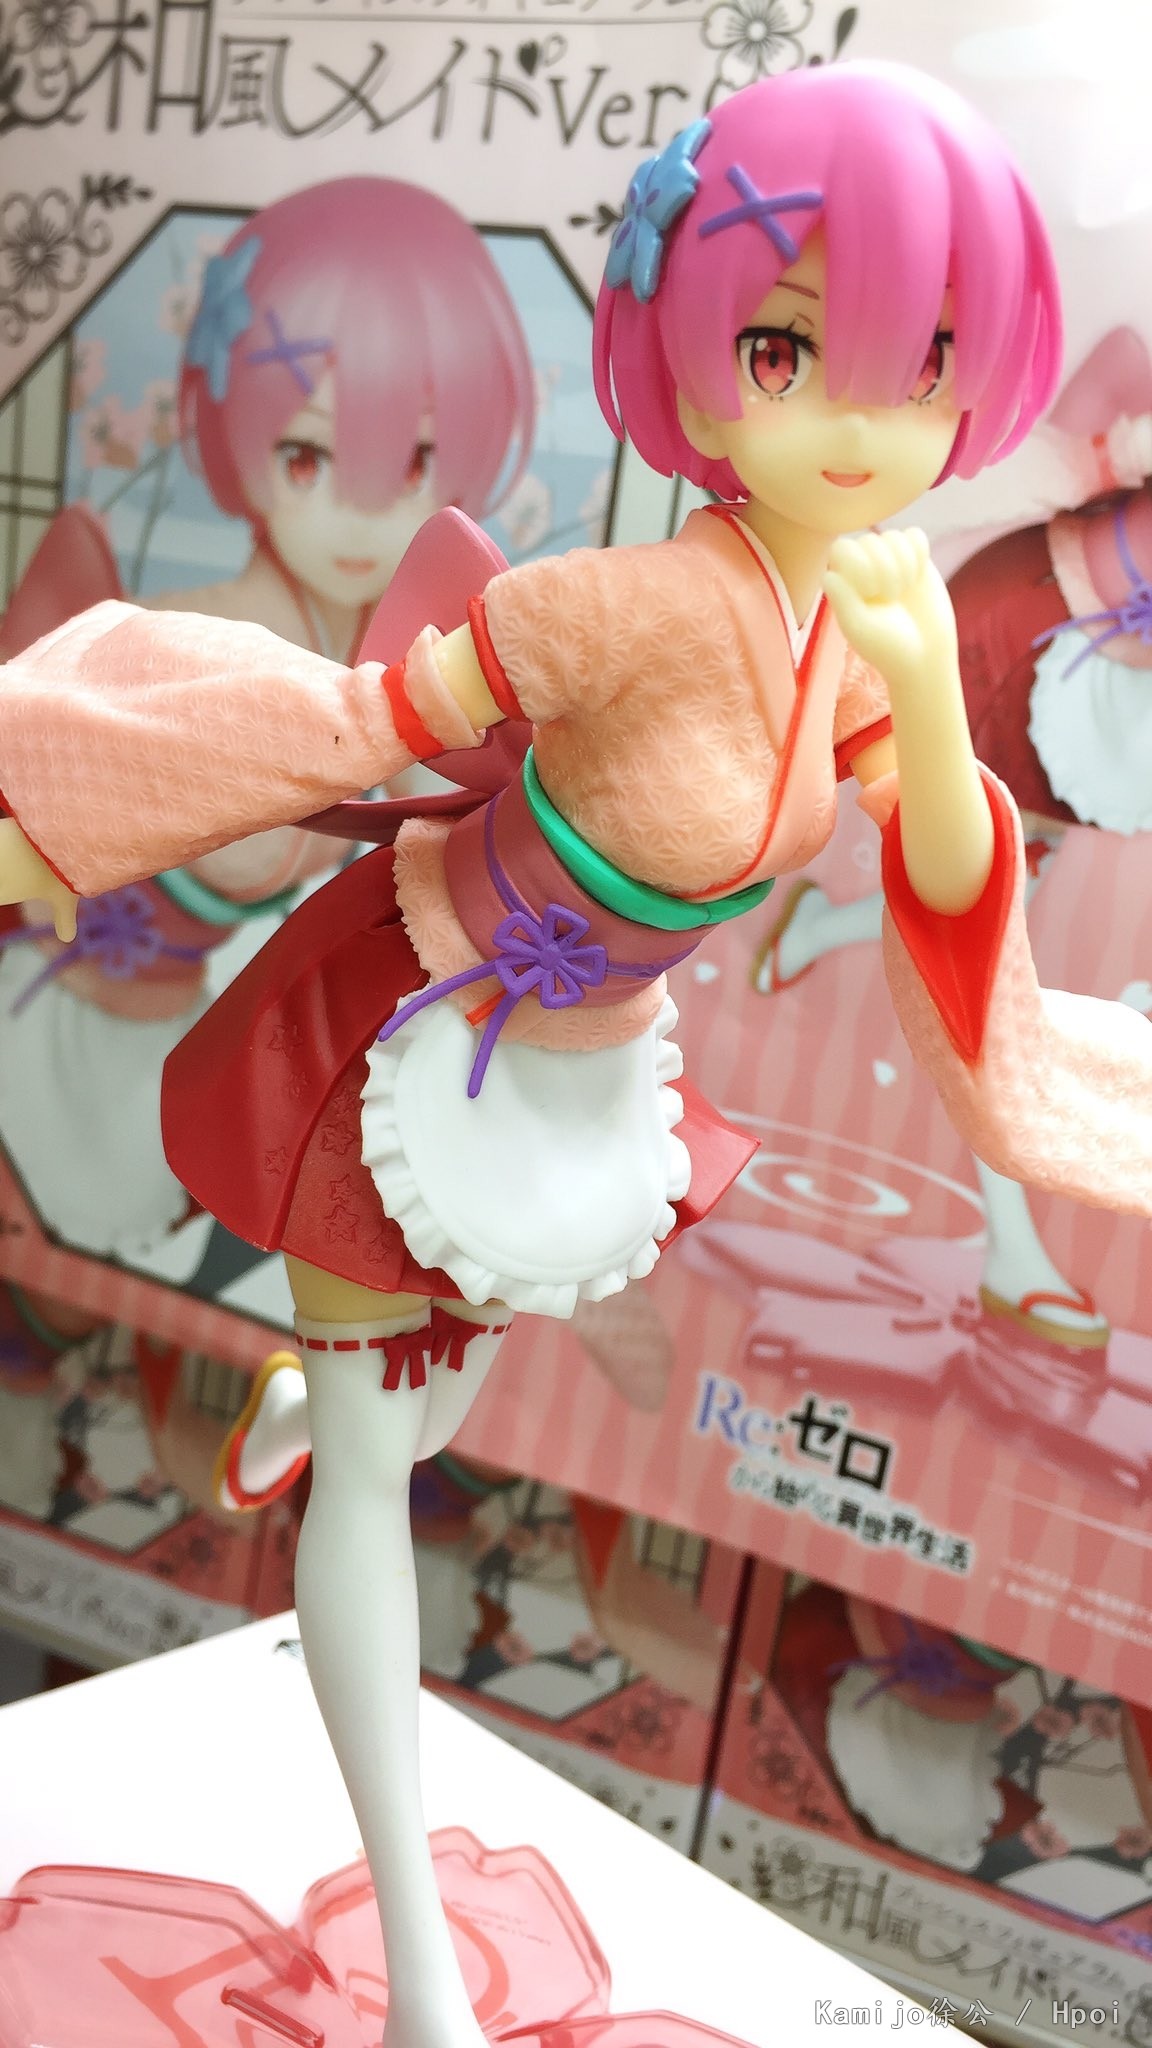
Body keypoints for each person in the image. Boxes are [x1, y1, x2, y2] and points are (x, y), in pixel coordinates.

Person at [3, 64, 1149, 2048]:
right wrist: (84, 800)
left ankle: (311, 1384)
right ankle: (420, 1974)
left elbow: (948, 887)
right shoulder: (623, 602)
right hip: (412, 1027)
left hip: (587, 1070)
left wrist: (918, 695)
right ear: (692, 348)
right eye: (786, 349)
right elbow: (369, 724)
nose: (856, 419)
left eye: (919, 363)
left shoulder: (855, 626)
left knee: (424, 1395)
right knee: (382, 1477)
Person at [752, 327, 1152, 1351]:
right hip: (1021, 648)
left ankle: (817, 931)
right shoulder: (1132, 375)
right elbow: (1035, 459)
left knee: (997, 923)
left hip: (1101, 699)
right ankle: (1012, 1254)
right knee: (988, 949)